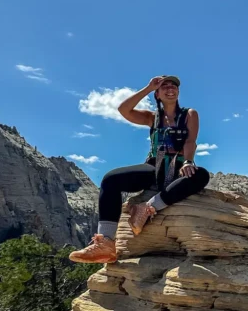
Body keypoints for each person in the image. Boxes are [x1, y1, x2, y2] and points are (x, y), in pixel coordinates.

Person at [70, 76, 210, 263]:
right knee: (110, 180)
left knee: (201, 175)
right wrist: (148, 87)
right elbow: (123, 110)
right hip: (153, 167)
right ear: (157, 94)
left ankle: (147, 207)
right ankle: (106, 243)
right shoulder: (152, 117)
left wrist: (188, 162)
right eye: (165, 86)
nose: (170, 88)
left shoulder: (189, 114)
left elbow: (190, 141)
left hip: (178, 167)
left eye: (174, 86)